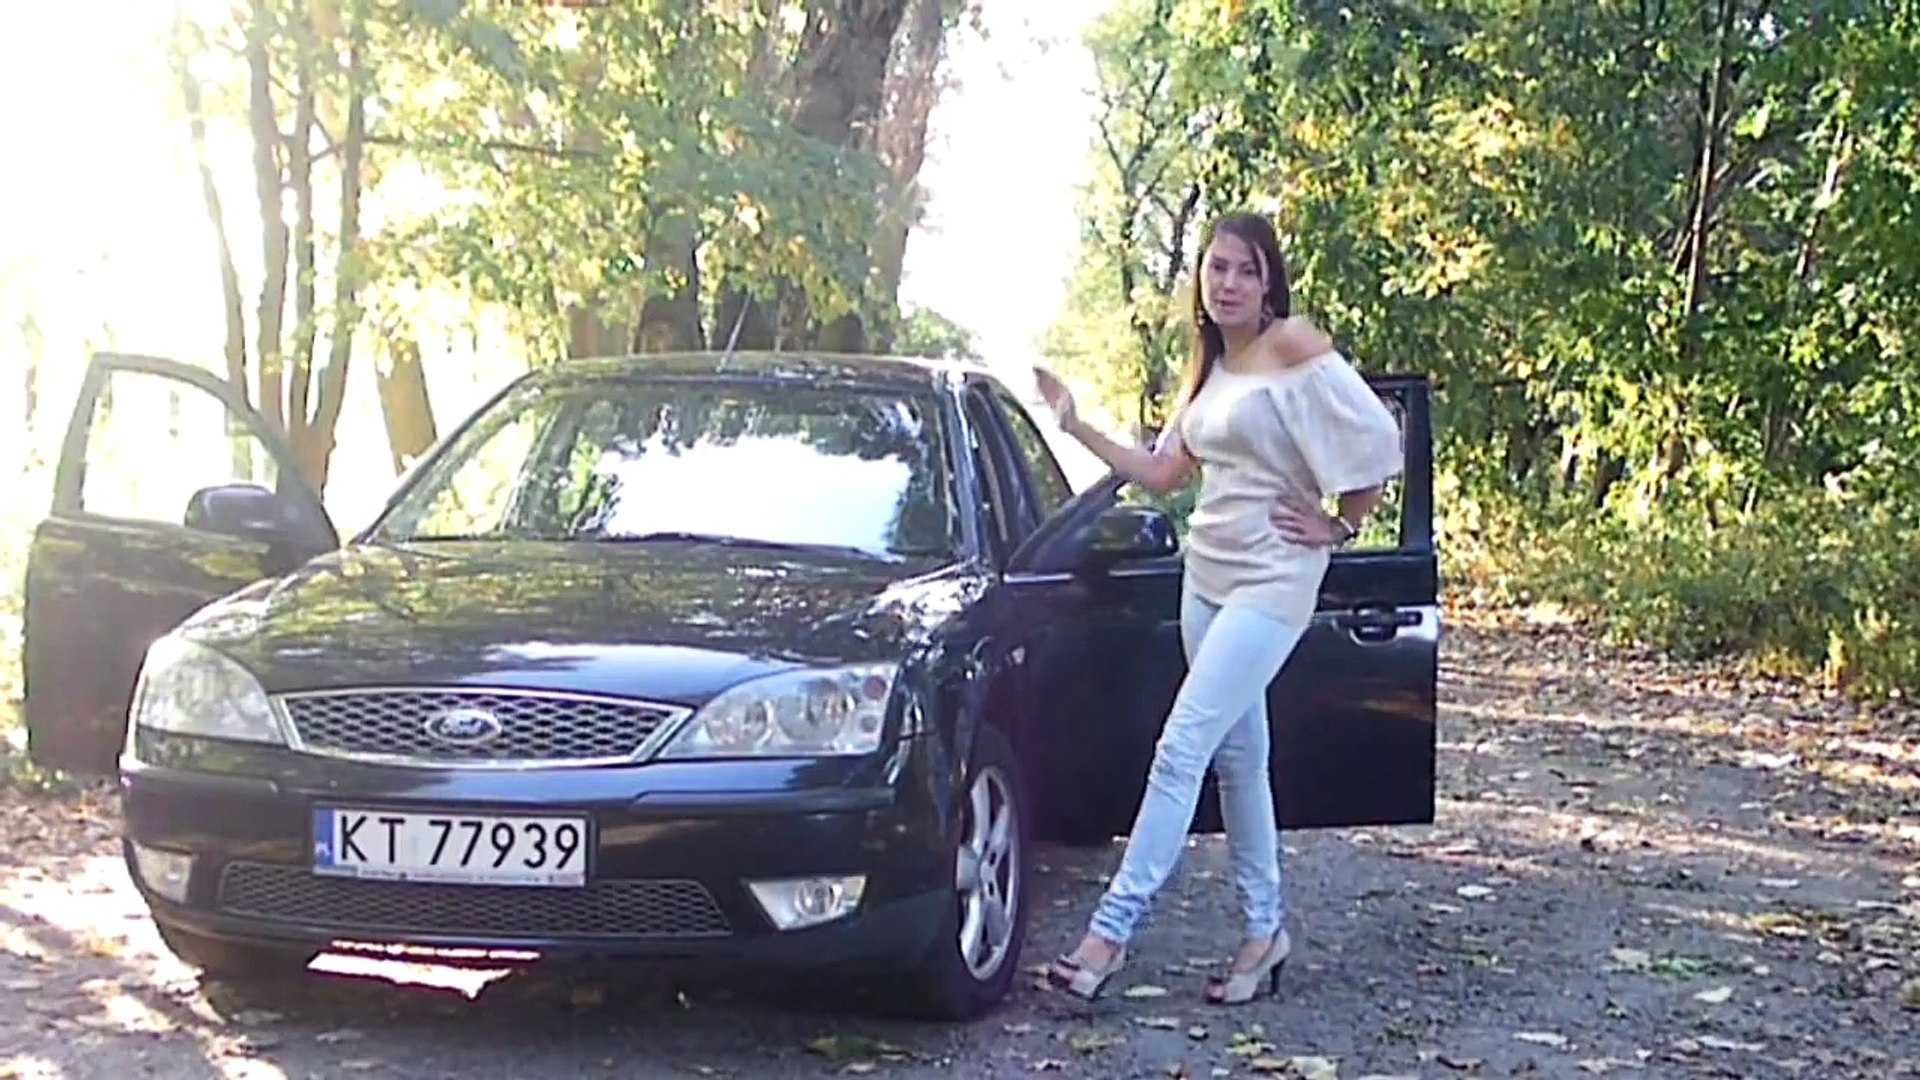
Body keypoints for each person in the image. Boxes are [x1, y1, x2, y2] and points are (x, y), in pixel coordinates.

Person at [1033, 210, 1404, 1006]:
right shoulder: (1210, 367)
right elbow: (1163, 472)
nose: (1228, 283)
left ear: (1268, 283)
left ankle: (1107, 936)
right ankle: (1264, 933)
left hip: (1273, 578)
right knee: (1240, 761)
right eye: (1216, 269)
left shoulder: (1293, 344)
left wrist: (1341, 524)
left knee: (1181, 748)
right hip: (1204, 577)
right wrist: (1075, 424)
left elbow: (1377, 437)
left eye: (1244, 269)